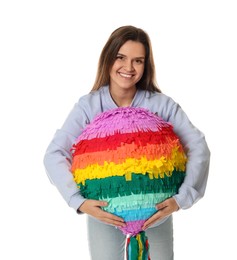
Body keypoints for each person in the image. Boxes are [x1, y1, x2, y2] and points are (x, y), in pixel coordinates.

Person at [43, 25, 210, 260]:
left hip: (155, 211)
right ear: (108, 58)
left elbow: (198, 145)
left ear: (146, 65)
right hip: (104, 213)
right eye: (121, 57)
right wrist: (78, 202)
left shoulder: (162, 105)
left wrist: (182, 199)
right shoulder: (88, 106)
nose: (128, 68)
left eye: (138, 61)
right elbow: (54, 153)